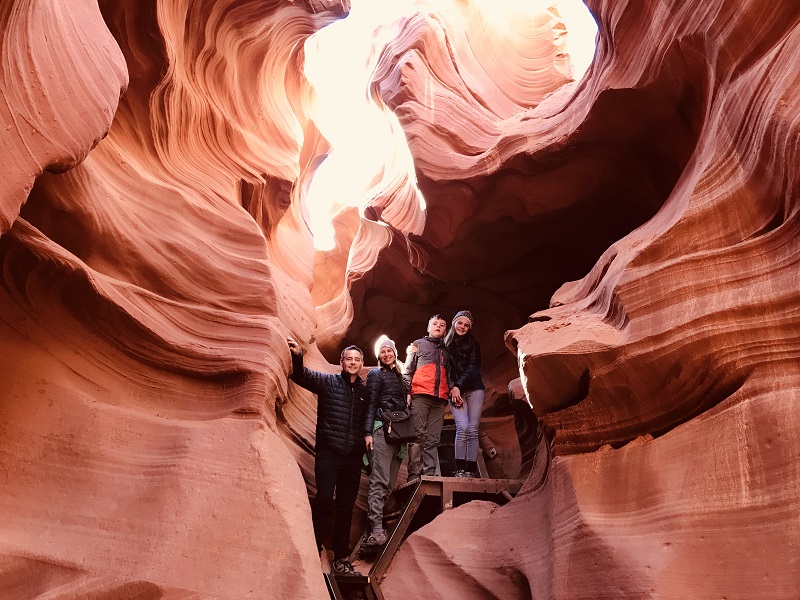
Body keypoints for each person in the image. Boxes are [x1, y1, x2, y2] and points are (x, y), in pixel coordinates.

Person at [288, 337, 368, 576]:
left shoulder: (365, 392)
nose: (352, 363)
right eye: (349, 359)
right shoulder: (328, 382)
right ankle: (314, 546)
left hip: (352, 458)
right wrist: (298, 355)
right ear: (341, 362)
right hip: (329, 454)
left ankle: (341, 558)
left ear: (361, 363)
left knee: (345, 508)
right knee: (323, 499)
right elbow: (301, 376)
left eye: (357, 360)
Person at [361, 336, 408, 549]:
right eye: (382, 351)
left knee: (389, 482)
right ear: (378, 355)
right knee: (379, 479)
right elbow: (370, 404)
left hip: (398, 433)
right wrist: (367, 432)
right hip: (380, 430)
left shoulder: (400, 377)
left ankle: (374, 523)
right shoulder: (375, 374)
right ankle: (376, 529)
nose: (386, 354)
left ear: (395, 353)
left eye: (389, 350)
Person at [404, 314, 452, 479]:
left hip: (439, 399)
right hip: (420, 395)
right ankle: (414, 473)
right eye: (435, 324)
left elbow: (449, 375)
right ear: (428, 327)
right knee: (418, 434)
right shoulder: (418, 345)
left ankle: (429, 472)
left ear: (446, 331)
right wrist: (407, 392)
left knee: (433, 437)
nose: (438, 326)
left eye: (442, 325)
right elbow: (408, 370)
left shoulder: (446, 350)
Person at [444, 310, 485, 478]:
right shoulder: (445, 345)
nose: (462, 327)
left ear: (470, 328)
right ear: (454, 323)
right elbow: (444, 370)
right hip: (455, 391)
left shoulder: (473, 345)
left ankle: (470, 471)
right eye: (460, 323)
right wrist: (453, 388)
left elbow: (472, 368)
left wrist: (458, 386)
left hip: (474, 389)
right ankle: (460, 469)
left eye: (466, 325)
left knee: (473, 429)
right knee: (463, 427)